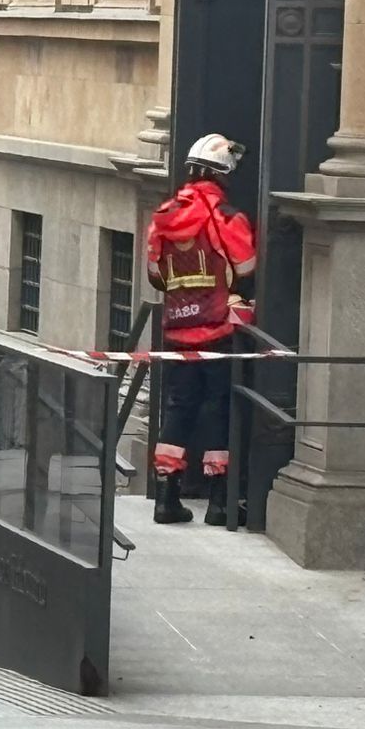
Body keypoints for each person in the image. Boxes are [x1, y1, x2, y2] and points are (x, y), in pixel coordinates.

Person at [146, 133, 258, 526]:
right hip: (219, 332)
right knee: (220, 410)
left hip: (177, 332)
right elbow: (245, 270)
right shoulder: (227, 216)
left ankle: (165, 497)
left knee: (178, 410)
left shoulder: (163, 215)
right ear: (223, 172)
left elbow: (155, 276)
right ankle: (221, 503)